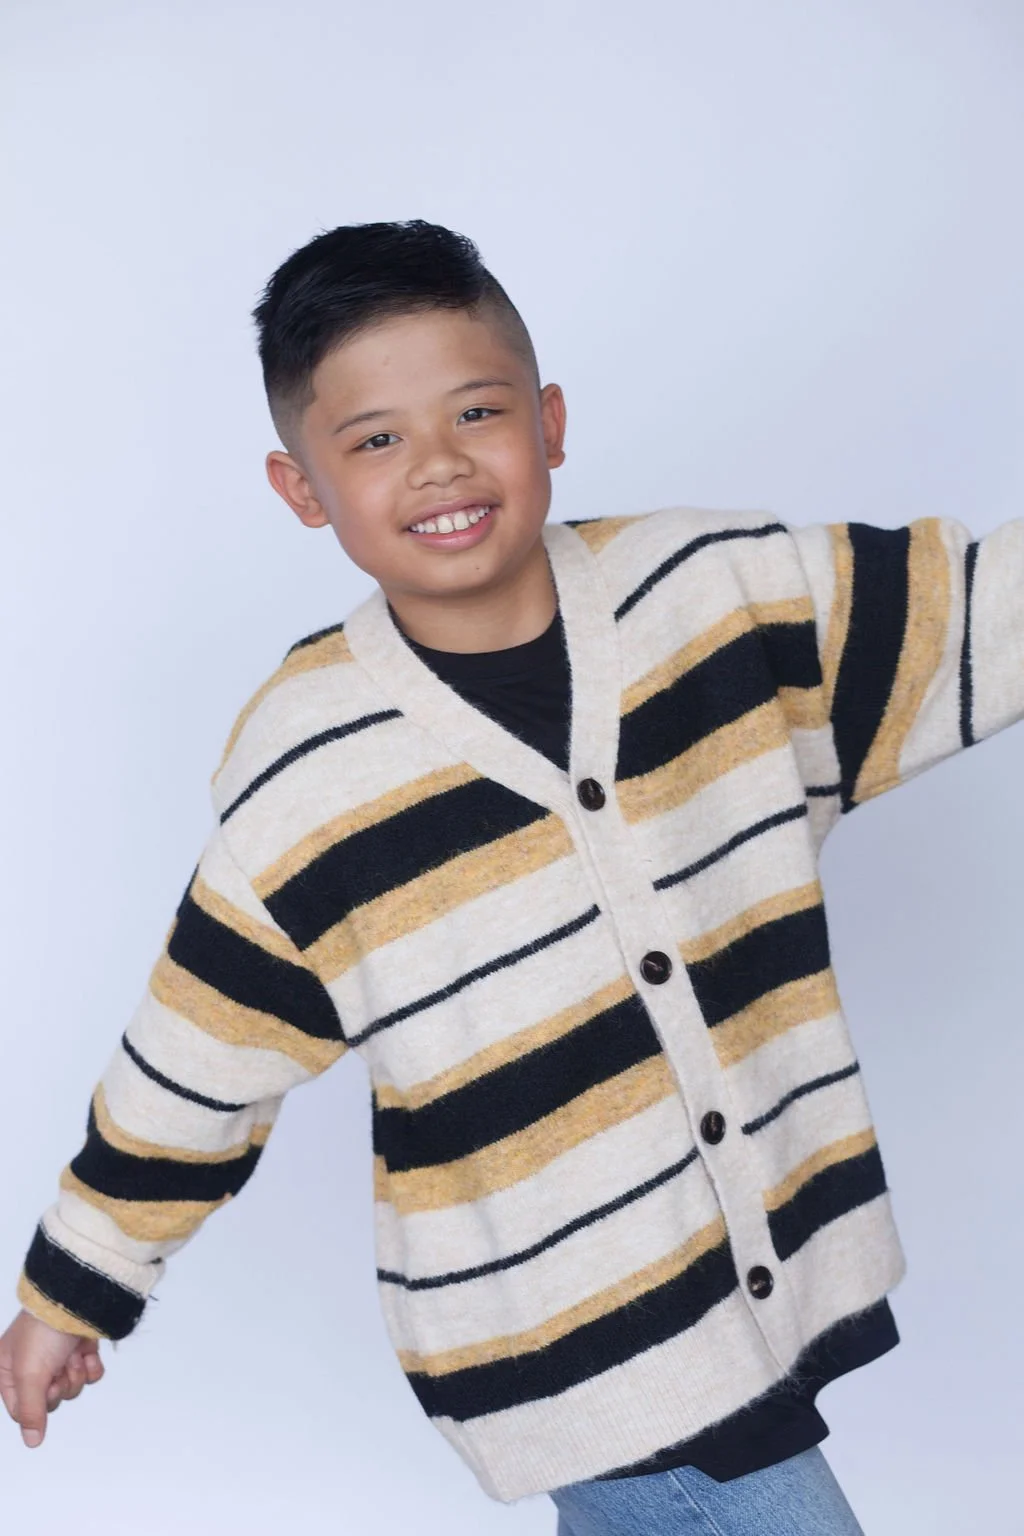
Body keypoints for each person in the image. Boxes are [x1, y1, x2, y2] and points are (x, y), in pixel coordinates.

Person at [1, 219, 1020, 1536]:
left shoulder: (719, 603)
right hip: (565, 1334)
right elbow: (199, 1055)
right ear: (301, 486)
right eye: (373, 440)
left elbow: (978, 610)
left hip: (745, 1292)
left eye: (475, 411)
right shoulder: (306, 771)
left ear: (545, 421)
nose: (436, 464)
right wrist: (75, 1285)